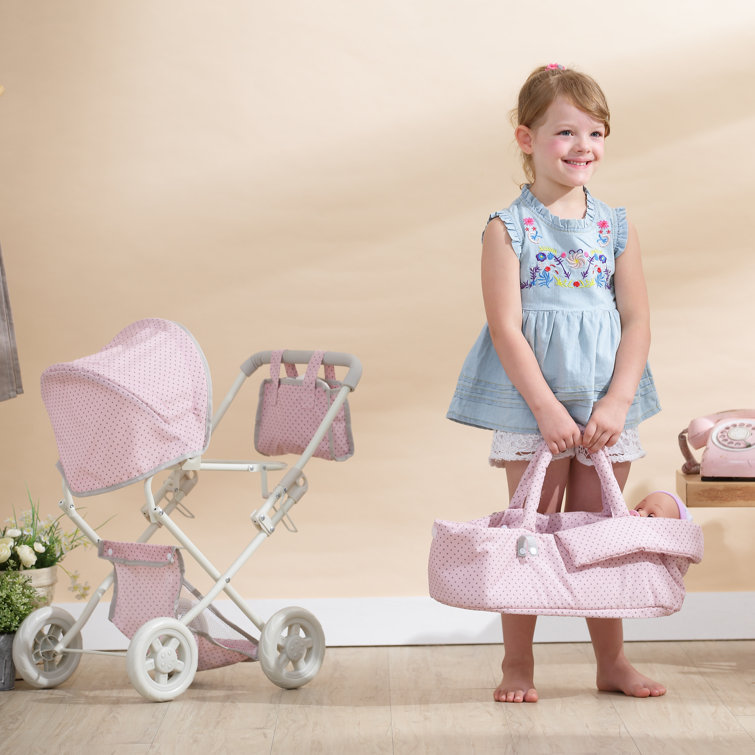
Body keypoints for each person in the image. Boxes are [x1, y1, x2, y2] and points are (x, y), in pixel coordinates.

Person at [447, 64, 663, 702]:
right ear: (527, 138)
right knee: (529, 533)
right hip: (532, 406)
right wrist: (544, 408)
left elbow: (637, 318)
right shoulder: (507, 227)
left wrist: (618, 400)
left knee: (601, 533)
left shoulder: (614, 226)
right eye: (565, 132)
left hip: (603, 403)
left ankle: (611, 662)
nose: (583, 146)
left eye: (595, 133)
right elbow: (505, 328)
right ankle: (517, 664)